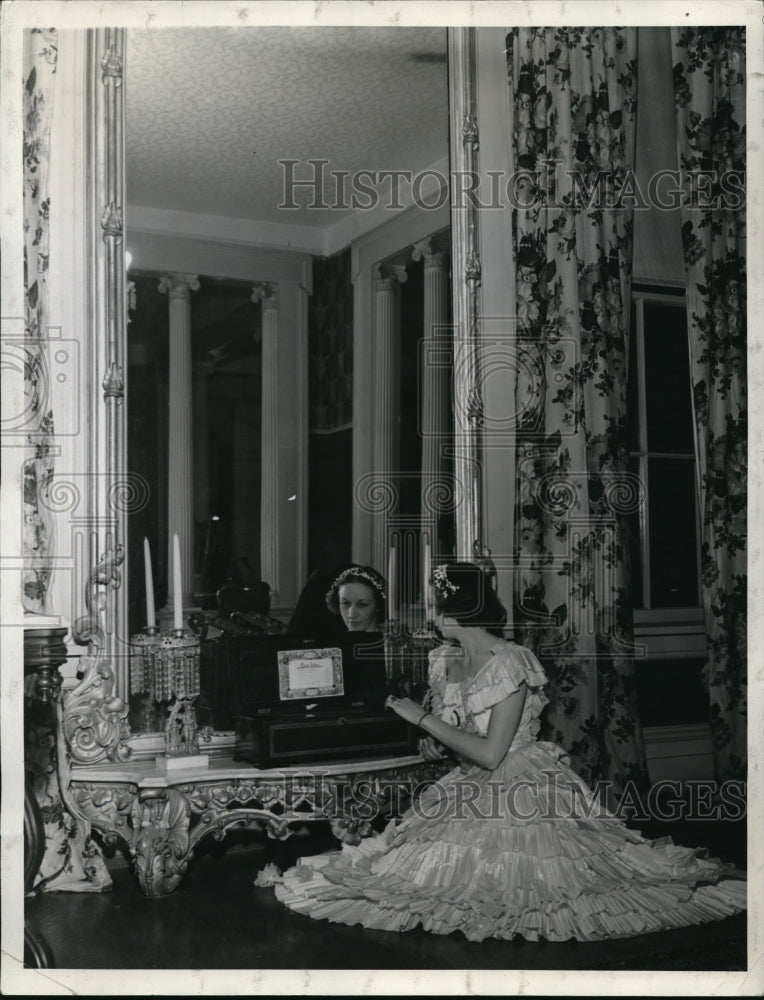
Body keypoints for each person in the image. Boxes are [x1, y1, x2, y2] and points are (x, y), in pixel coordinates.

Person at [267, 561, 746, 942]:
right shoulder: (444, 658)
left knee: (528, 887)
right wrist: (433, 736)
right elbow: (458, 740)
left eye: (433, 604)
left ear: (456, 608)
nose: (426, 611)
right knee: (410, 875)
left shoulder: (511, 661)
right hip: (468, 782)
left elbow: (494, 753)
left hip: (519, 781)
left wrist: (421, 718)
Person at [325, 565, 387, 633]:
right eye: (345, 603)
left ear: (378, 605)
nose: (351, 614)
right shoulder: (334, 641)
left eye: (362, 604)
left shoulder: (391, 641)